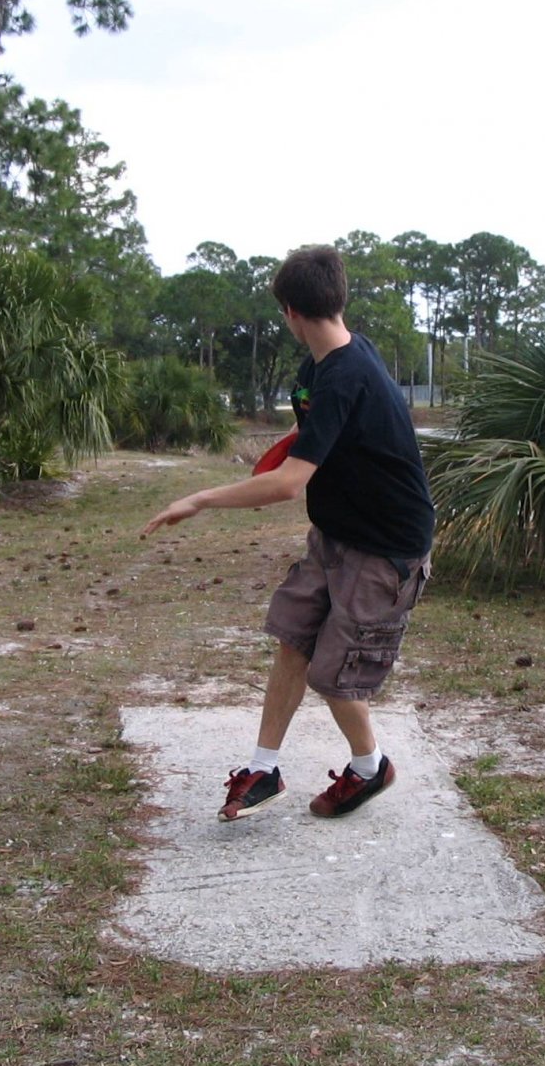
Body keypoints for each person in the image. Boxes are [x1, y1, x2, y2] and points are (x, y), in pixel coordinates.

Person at [141, 244, 435, 821]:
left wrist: (200, 498)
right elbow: (314, 439)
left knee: (335, 674)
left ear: (290, 313)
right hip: (336, 534)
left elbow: (288, 485)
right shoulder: (321, 365)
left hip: (385, 550)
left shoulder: (348, 375)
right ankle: (263, 769)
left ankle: (372, 768)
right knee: (293, 638)